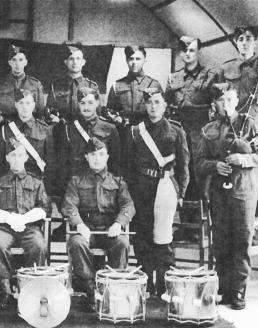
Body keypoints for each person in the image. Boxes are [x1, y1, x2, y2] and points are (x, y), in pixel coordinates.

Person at [196, 83, 258, 310]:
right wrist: (214, 165)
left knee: (241, 241)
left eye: (230, 100)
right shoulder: (208, 130)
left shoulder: (250, 125)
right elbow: (198, 163)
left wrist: (243, 160)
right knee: (221, 241)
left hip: (243, 193)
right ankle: (224, 287)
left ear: (236, 101)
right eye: (221, 101)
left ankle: (238, 289)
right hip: (219, 193)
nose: (226, 105)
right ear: (215, 104)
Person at [124, 89, 189, 297]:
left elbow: (184, 165)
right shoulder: (136, 131)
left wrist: (181, 193)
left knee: (164, 237)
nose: (153, 106)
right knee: (142, 236)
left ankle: (164, 284)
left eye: (157, 102)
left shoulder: (176, 131)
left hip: (166, 185)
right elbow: (128, 165)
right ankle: (146, 284)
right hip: (142, 186)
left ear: (165, 105)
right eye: (149, 102)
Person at [219, 25, 258, 244]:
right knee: (228, 179)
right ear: (236, 42)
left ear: (256, 42)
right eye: (240, 39)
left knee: (253, 183)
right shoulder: (226, 69)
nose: (244, 42)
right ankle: (231, 230)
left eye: (248, 39)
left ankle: (250, 230)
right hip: (230, 130)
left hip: (255, 134)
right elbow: (219, 101)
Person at [61, 137, 134, 309]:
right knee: (76, 242)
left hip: (110, 230)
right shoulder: (76, 181)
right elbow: (69, 205)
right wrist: (79, 224)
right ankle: (90, 290)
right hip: (87, 230)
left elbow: (128, 205)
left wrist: (119, 223)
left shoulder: (118, 182)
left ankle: (112, 288)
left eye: (101, 154)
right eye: (92, 154)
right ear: (86, 157)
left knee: (123, 242)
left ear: (107, 157)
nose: (97, 158)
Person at [0, 139, 51, 309]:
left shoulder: (36, 182)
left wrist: (25, 219)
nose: (17, 159)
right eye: (13, 155)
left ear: (26, 157)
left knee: (39, 246)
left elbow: (45, 208)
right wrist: (8, 218)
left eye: (20, 155)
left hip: (30, 228)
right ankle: (5, 291)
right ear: (7, 158)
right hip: (4, 228)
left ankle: (30, 289)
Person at [164, 36, 219, 241]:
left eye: (192, 50)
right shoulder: (173, 78)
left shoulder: (210, 75)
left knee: (199, 177)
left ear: (198, 52)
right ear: (180, 53)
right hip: (179, 132)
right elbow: (167, 105)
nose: (188, 54)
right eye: (185, 50)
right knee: (180, 175)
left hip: (201, 134)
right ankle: (184, 225)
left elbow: (216, 104)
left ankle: (197, 227)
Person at [54, 87, 120, 196]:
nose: (86, 107)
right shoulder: (67, 128)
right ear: (78, 104)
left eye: (90, 103)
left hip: (102, 186)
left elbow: (115, 162)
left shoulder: (109, 128)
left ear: (97, 103)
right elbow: (63, 164)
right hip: (76, 186)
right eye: (82, 103)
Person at [0, 88, 57, 197]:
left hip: (35, 186)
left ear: (33, 105)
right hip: (11, 186)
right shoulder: (6, 129)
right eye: (21, 103)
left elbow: (50, 164)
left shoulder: (44, 129)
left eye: (28, 103)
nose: (24, 107)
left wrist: (47, 192)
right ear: (16, 105)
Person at [106, 45, 163, 127]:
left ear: (144, 60)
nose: (134, 62)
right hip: (123, 131)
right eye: (131, 59)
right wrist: (117, 118)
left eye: (138, 59)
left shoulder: (154, 84)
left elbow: (162, 110)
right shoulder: (117, 85)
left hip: (147, 132)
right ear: (126, 60)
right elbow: (109, 110)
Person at [0, 44, 46, 121]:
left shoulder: (35, 84)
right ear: (9, 62)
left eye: (20, 60)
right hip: (7, 127)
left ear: (26, 62)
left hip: (30, 126)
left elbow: (40, 112)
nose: (17, 64)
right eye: (14, 60)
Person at [47, 44, 99, 123]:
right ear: (66, 62)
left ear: (83, 62)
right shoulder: (56, 86)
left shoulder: (92, 86)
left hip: (85, 130)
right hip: (62, 129)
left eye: (78, 59)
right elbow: (50, 111)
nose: (75, 62)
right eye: (71, 59)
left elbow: (98, 113)